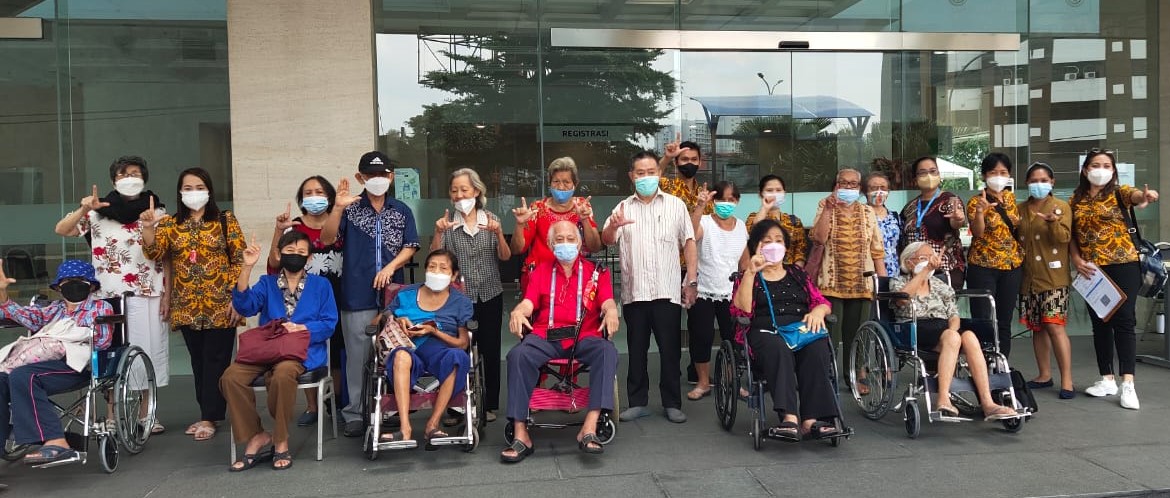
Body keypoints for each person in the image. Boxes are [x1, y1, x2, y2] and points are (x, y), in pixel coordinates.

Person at [53, 155, 169, 435]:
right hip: (106, 294)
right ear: (113, 180)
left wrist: (169, 295)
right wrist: (84, 208)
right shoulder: (98, 211)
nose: (129, 179)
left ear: (144, 178)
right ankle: (112, 414)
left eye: (135, 173)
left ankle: (146, 413)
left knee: (146, 350)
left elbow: (166, 256)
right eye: (122, 174)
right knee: (109, 353)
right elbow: (62, 229)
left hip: (147, 291)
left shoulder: (157, 211)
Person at [320, 151, 421, 437]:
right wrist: (337, 208)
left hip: (392, 295)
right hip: (356, 292)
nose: (378, 179)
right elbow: (327, 238)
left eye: (383, 174)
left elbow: (411, 246)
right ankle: (355, 413)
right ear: (360, 177)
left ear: (391, 177)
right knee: (357, 355)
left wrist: (391, 267)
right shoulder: (349, 209)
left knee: (393, 351)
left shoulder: (401, 210)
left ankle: (388, 409)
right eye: (371, 175)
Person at [502, 221, 620, 462]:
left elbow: (607, 300)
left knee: (607, 351)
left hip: (584, 336)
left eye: (570, 239)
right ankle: (521, 433)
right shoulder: (540, 271)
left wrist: (611, 310)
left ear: (579, 243)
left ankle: (589, 427)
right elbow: (529, 302)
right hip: (548, 336)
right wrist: (518, 311)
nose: (565, 244)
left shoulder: (596, 272)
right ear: (550, 244)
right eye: (559, 240)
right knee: (517, 355)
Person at [142, 167, 245, 442]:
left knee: (216, 361)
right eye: (188, 188)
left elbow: (239, 259)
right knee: (198, 362)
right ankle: (206, 413)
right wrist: (148, 228)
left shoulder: (224, 220)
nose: (194, 192)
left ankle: (210, 417)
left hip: (221, 305)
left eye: (199, 187)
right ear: (180, 192)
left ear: (209, 190)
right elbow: (154, 252)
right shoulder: (171, 224)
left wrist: (236, 298)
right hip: (187, 306)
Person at [222, 231, 338, 471]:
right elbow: (245, 306)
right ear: (279, 254)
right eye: (290, 251)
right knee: (230, 378)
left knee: (283, 375)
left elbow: (329, 324)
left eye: (301, 252)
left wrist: (303, 328)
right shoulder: (267, 283)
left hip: (300, 352)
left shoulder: (321, 285)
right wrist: (246, 267)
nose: (295, 256)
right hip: (266, 350)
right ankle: (256, 434)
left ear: (309, 258)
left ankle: (281, 438)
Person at [602, 150, 697, 424]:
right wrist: (613, 227)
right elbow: (606, 239)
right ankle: (637, 402)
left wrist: (691, 280)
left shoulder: (675, 205)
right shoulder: (623, 207)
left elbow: (689, 241)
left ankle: (672, 403)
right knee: (637, 350)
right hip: (635, 293)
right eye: (640, 173)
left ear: (660, 174)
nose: (646, 177)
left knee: (670, 351)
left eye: (651, 172)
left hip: (667, 291)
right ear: (632, 176)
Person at [729, 220, 840, 441]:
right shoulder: (748, 276)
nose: (774, 245)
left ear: (786, 247)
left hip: (799, 331)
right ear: (757, 247)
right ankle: (789, 418)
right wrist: (750, 272)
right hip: (765, 332)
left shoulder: (797, 273)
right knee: (777, 348)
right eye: (767, 241)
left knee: (817, 347)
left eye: (779, 241)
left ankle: (812, 420)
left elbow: (821, 301)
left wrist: (818, 311)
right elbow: (741, 310)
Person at [1070, 148, 1159, 409]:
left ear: (1113, 170)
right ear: (1085, 170)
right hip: (1092, 270)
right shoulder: (1075, 200)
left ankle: (1128, 383)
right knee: (1100, 322)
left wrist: (1145, 196)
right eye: (1095, 165)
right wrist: (1076, 259)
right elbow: (1071, 235)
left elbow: (1136, 196)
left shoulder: (1120, 192)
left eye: (1107, 165)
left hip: (1124, 264)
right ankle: (1106, 378)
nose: (1101, 170)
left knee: (1124, 321)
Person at [0, 260, 113, 465]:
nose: (73, 285)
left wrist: (67, 338)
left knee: (23, 376)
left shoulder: (100, 307)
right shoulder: (54, 309)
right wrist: (3, 294)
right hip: (41, 363)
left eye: (79, 280)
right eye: (67, 281)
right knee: (2, 379)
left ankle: (57, 441)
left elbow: (103, 341)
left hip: (76, 365)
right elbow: (27, 316)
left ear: (91, 286)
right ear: (59, 287)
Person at [890, 242, 1017, 421]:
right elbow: (902, 300)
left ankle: (988, 403)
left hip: (944, 328)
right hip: (914, 327)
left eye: (932, 258)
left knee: (969, 336)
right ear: (909, 262)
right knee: (952, 337)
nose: (930, 262)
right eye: (924, 258)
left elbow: (954, 315)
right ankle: (943, 399)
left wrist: (952, 334)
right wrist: (924, 272)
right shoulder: (898, 281)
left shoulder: (940, 285)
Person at [431, 168, 510, 422]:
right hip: (459, 298)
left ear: (476, 191)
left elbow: (505, 256)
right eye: (454, 190)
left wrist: (499, 233)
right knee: (458, 350)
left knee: (489, 348)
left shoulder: (491, 219)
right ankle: (457, 406)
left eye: (464, 190)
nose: (459, 195)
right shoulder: (448, 224)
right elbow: (435, 258)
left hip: (490, 293)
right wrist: (438, 233)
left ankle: (488, 404)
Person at [264, 176, 345, 427]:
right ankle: (312, 405)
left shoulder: (341, 222)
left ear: (329, 196)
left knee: (338, 349)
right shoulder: (294, 227)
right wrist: (279, 231)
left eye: (319, 191)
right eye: (308, 192)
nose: (314, 196)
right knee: (307, 347)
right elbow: (274, 263)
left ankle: (335, 402)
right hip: (303, 297)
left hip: (339, 291)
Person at [381, 249, 474, 446]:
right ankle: (405, 429)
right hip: (408, 347)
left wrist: (434, 331)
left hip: (440, 351)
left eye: (443, 268)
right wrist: (397, 319)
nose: (436, 272)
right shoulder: (405, 294)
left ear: (453, 275)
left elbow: (463, 343)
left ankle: (432, 425)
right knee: (400, 357)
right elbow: (383, 316)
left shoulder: (461, 302)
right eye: (432, 267)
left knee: (457, 357)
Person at [809, 169, 886, 375]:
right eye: (844, 183)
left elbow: (877, 251)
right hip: (831, 283)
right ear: (836, 186)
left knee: (859, 333)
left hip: (862, 284)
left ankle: (856, 373)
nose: (849, 187)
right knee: (830, 334)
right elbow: (818, 239)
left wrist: (883, 285)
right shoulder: (824, 206)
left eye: (853, 184)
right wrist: (828, 209)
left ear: (859, 188)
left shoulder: (868, 211)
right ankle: (828, 374)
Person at [1017, 162, 1075, 399]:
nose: (1038, 184)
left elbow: (1064, 238)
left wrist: (1053, 223)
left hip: (1054, 278)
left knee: (1054, 326)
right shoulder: (1020, 209)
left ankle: (1067, 380)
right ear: (1026, 183)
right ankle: (1044, 374)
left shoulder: (1061, 207)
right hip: (1029, 278)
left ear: (1052, 182)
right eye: (1033, 180)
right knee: (1037, 327)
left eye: (1043, 180)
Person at [686, 181, 747, 400]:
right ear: (714, 200)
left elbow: (744, 259)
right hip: (703, 288)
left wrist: (747, 285)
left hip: (731, 291)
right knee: (701, 336)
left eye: (731, 199)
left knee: (733, 338)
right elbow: (690, 235)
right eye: (721, 199)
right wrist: (700, 206)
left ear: (737, 201)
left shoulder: (741, 226)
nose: (726, 203)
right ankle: (703, 382)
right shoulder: (704, 221)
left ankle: (732, 381)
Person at [965, 153, 1024, 358]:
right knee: (983, 318)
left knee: (1004, 320)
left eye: (1003, 172)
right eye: (993, 172)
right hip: (983, 266)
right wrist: (980, 212)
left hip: (1011, 266)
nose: (998, 176)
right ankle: (983, 362)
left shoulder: (1011, 199)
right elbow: (978, 232)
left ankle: (1002, 363)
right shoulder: (976, 201)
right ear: (984, 175)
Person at [510, 157, 601, 291]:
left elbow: (595, 247)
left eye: (566, 182)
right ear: (550, 183)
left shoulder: (582, 206)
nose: (561, 187)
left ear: (575, 184)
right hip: (539, 279)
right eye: (556, 181)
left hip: (574, 278)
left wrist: (585, 220)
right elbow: (517, 249)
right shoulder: (537, 208)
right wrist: (519, 225)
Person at [900, 156, 966, 290]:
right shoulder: (910, 207)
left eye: (932, 171)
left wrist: (958, 219)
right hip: (915, 270)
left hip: (944, 269)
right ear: (915, 178)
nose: (928, 176)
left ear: (939, 175)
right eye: (922, 172)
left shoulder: (950, 200)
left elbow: (956, 223)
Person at [743, 175, 808, 268]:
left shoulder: (794, 221)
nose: (774, 194)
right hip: (762, 269)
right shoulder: (753, 217)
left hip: (789, 272)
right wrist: (764, 208)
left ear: (784, 193)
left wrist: (797, 272)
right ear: (760, 194)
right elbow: (753, 234)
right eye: (769, 190)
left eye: (778, 190)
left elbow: (800, 252)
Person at [865, 172, 902, 277]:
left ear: (888, 191)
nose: (879, 191)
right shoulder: (861, 215)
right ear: (866, 191)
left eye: (883, 188)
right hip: (870, 274)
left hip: (894, 273)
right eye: (874, 188)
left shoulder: (895, 217)